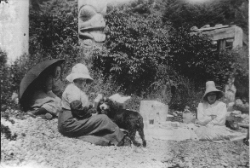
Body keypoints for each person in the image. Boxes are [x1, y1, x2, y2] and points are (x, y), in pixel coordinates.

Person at [57, 63, 130, 146]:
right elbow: (78, 111)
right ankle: (121, 138)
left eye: (84, 80)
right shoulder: (73, 90)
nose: (83, 82)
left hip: (68, 122)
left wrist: (90, 109)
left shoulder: (73, 88)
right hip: (69, 124)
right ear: (75, 78)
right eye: (81, 79)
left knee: (98, 121)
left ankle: (116, 135)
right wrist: (90, 112)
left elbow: (78, 109)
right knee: (103, 119)